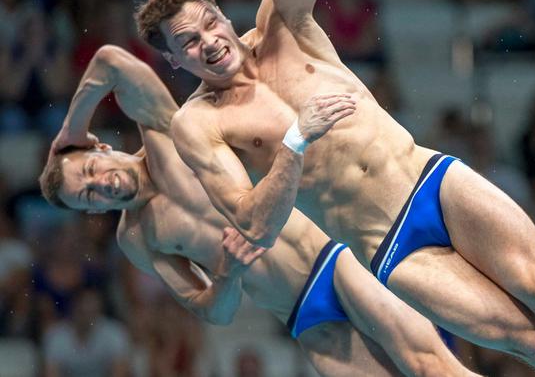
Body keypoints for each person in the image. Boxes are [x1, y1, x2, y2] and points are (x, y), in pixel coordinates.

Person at [141, 0, 535, 374]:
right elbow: (253, 223)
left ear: (223, 13)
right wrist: (296, 141)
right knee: (529, 341)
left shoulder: (281, 26)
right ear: (173, 60)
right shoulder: (199, 123)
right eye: (187, 42)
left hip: (432, 181)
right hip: (390, 249)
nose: (207, 42)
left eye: (209, 23)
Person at [38, 45, 474, 377]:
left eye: (91, 170)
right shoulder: (136, 237)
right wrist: (226, 275)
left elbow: (111, 60)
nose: (100, 185)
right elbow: (213, 311)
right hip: (301, 313)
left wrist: (70, 129)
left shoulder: (165, 135)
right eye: (88, 197)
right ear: (89, 213)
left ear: (100, 146)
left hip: (332, 258)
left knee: (429, 366)